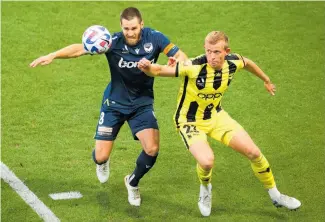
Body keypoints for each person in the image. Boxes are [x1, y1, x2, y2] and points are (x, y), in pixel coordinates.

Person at [30, 7, 188, 207]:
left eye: (133, 28)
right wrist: (53, 55)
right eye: (126, 28)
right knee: (100, 156)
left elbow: (181, 56)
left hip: (142, 104)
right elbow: (79, 49)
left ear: (141, 24)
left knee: (152, 148)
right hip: (113, 105)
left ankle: (132, 182)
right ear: (121, 26)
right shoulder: (111, 42)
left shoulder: (155, 38)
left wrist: (175, 62)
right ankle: (102, 162)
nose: (129, 32)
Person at [137, 31, 301, 216]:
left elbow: (248, 63)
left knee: (254, 152)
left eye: (216, 52)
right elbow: (158, 71)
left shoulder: (233, 62)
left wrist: (266, 80)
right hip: (189, 122)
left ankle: (276, 194)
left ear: (226, 51)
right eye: (208, 51)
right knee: (207, 162)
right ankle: (205, 189)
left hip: (216, 116)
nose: (212, 57)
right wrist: (146, 67)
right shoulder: (193, 66)